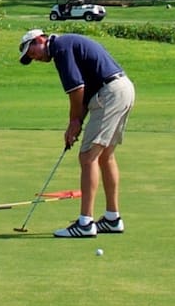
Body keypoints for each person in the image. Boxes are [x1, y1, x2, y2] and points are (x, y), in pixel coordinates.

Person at [17, 29, 135, 238]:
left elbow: (77, 89)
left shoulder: (61, 48)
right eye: (31, 57)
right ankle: (112, 218)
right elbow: (85, 91)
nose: (35, 58)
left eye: (33, 52)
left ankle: (85, 223)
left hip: (110, 93)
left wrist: (74, 121)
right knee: (105, 155)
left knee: (88, 157)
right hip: (122, 89)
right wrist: (78, 122)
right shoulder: (67, 44)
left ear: (40, 39)